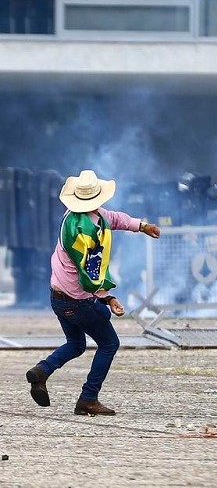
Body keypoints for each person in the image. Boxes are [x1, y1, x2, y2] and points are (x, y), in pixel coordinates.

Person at [25, 169, 161, 416]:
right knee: (109, 343)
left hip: (58, 296)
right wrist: (108, 298)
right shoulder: (82, 234)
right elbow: (90, 276)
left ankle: (42, 371)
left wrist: (141, 226)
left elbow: (115, 218)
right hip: (77, 300)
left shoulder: (77, 215)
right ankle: (88, 398)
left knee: (76, 344)